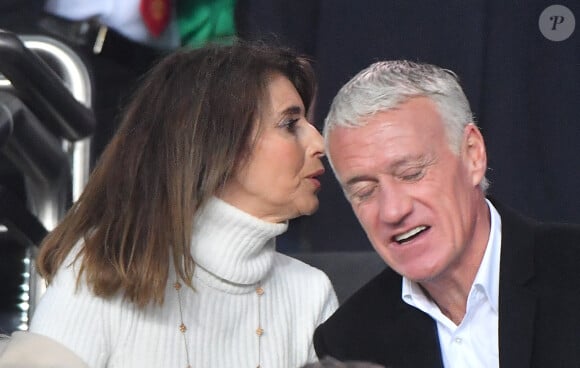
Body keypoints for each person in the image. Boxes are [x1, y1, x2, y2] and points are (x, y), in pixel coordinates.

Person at [17, 41, 338, 368]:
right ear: (217, 142)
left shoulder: (311, 293)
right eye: (289, 124)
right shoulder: (104, 269)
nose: (319, 143)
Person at [313, 60, 580, 368]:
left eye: (411, 174)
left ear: (472, 155)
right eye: (365, 192)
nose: (393, 210)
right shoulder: (347, 340)